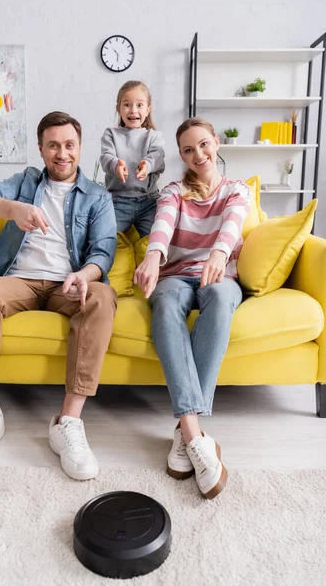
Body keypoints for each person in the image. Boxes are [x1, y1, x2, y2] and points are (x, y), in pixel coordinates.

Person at [0, 111, 118, 480]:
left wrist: (83, 275)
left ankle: (68, 423)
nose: (62, 153)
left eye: (70, 145)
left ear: (79, 147)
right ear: (42, 149)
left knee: (103, 297)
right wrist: (13, 209)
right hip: (20, 281)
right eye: (54, 145)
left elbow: (103, 253)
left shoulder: (97, 196)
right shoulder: (26, 182)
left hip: (69, 283)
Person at [134, 117, 250, 500]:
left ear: (216, 142)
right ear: (181, 155)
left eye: (203, 144)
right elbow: (163, 224)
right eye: (188, 149)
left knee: (218, 297)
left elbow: (232, 225)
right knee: (164, 303)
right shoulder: (174, 190)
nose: (197, 154)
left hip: (221, 277)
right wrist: (153, 256)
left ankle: (187, 433)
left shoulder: (237, 190)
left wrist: (218, 253)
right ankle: (193, 431)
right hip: (177, 274)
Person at [100, 80, 165, 237]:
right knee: (105, 237)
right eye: (127, 105)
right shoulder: (111, 134)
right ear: (119, 108)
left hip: (148, 202)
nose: (133, 110)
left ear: (148, 110)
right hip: (118, 201)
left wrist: (147, 165)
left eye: (139, 105)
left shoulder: (154, 136)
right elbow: (106, 157)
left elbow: (158, 157)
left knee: (156, 240)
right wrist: (116, 165)